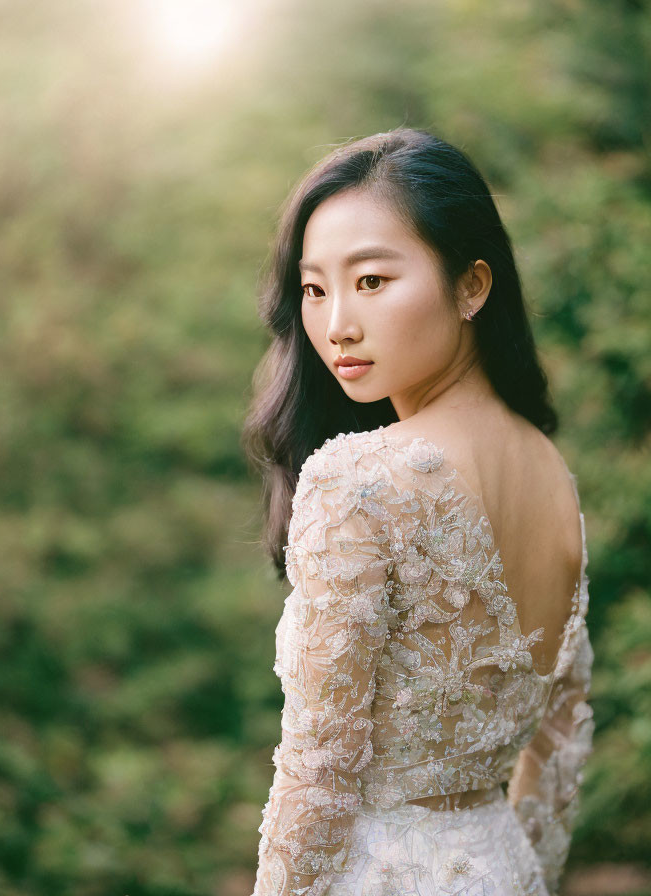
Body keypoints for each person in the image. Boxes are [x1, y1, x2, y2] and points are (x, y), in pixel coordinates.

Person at [241, 127, 594, 896]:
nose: (337, 323)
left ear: (471, 285)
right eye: (314, 287)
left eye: (371, 281)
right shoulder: (553, 473)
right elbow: (560, 743)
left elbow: (318, 769)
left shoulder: (359, 476)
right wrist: (515, 869)